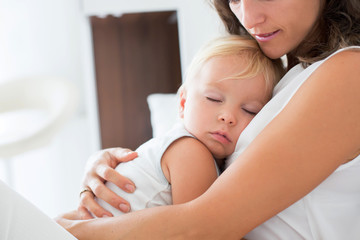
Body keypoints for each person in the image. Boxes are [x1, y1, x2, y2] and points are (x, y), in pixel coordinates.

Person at [57, 0, 360, 239]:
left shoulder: (350, 74)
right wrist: (116, 167)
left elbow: (202, 228)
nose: (249, 17)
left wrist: (64, 232)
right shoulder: (285, 77)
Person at [84, 35, 284, 217]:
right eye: (213, 99)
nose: (228, 117)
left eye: (249, 110)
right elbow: (203, 232)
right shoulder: (190, 152)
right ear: (182, 103)